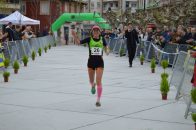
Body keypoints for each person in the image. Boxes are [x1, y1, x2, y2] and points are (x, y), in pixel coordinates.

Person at [72, 25, 109, 107]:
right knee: (91, 81)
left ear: (99, 32)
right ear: (92, 32)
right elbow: (79, 43)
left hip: (100, 63)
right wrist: (74, 36)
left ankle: (98, 100)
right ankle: (92, 85)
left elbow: (106, 46)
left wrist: (107, 50)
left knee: (99, 81)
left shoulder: (102, 39)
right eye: (94, 31)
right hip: (91, 63)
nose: (96, 32)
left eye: (97, 31)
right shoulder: (89, 39)